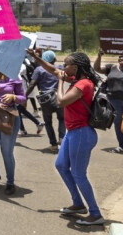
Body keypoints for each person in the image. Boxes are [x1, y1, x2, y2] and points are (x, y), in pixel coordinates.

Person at [28, 49, 103, 225]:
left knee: (79, 174)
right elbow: (53, 70)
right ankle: (78, 204)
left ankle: (95, 213)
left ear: (75, 67)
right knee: (61, 165)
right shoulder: (76, 79)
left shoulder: (83, 84)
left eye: (66, 64)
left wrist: (60, 82)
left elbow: (61, 101)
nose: (63, 67)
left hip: (82, 134)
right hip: (73, 133)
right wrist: (37, 58)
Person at [94, 49, 123, 153]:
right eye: (121, 57)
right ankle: (122, 146)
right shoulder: (112, 68)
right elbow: (97, 68)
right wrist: (99, 56)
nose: (122, 59)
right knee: (118, 124)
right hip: (114, 102)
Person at [25, 50, 65, 152]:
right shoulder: (60, 68)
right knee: (62, 119)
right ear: (55, 59)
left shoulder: (39, 69)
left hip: (45, 100)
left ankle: (54, 145)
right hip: (58, 97)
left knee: (48, 122)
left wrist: (24, 96)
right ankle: (61, 138)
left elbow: (32, 84)